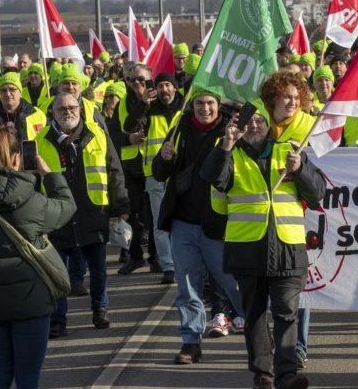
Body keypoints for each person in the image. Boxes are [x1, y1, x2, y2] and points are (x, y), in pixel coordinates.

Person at [201, 97, 325, 389]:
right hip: (247, 249)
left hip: (288, 249)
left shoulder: (290, 150)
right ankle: (263, 375)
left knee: (286, 313)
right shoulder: (230, 153)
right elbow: (212, 178)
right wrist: (227, 144)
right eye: (249, 121)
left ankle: (286, 376)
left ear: (269, 123)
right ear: (239, 126)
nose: (255, 125)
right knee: (255, 316)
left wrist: (301, 170)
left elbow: (318, 194)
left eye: (260, 120)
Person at [0, 126, 76, 388]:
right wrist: (49, 176)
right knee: (27, 379)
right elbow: (66, 208)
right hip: (29, 299)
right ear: (18, 158)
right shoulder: (28, 200)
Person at [153, 89, 245, 364]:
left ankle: (258, 333)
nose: (205, 108)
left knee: (233, 283)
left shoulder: (232, 132)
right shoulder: (178, 129)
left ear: (219, 105)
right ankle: (191, 342)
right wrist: (164, 158)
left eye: (210, 103)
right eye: (199, 103)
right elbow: (159, 173)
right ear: (191, 105)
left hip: (219, 223)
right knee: (187, 287)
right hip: (183, 221)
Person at [37, 93, 129, 338]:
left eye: (72, 107)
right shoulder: (40, 141)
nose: (68, 112)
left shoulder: (98, 133)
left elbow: (114, 171)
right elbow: (33, 181)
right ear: (52, 114)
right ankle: (58, 320)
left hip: (92, 212)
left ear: (79, 109)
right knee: (58, 273)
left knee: (98, 268)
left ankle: (100, 309)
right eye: (61, 109)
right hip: (57, 216)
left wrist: (120, 206)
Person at [120, 69, 182, 283]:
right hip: (155, 175)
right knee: (160, 223)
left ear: (174, 87)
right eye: (160, 86)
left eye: (168, 85)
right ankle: (169, 267)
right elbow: (129, 127)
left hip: (182, 173)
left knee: (184, 221)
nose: (164, 89)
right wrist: (143, 104)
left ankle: (186, 263)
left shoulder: (186, 107)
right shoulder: (149, 109)